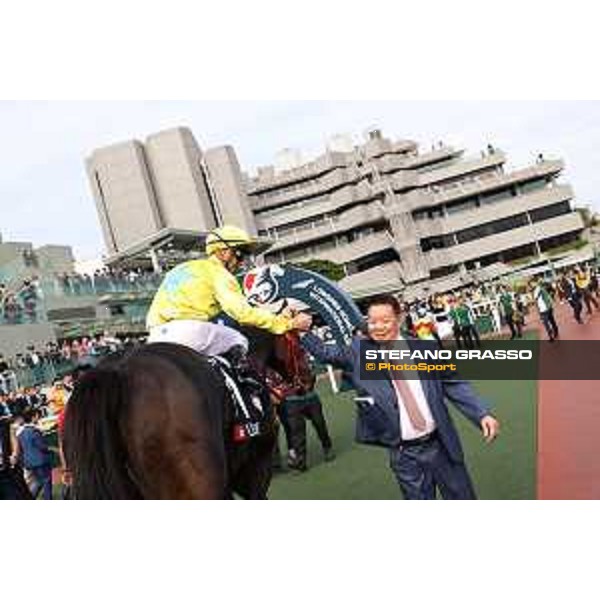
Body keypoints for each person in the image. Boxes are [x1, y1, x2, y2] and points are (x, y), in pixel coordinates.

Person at [300, 294, 500, 500]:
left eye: (385, 321)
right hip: (404, 454)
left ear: (400, 318)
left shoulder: (425, 348)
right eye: (372, 321)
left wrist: (481, 413)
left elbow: (453, 382)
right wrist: (303, 331)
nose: (378, 327)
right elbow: (326, 353)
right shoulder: (359, 352)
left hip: (441, 444)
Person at [146, 225, 311, 358]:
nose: (241, 262)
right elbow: (243, 314)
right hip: (190, 333)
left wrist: (276, 313)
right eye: (240, 255)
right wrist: (288, 324)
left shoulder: (181, 268)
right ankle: (245, 395)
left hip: (155, 337)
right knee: (239, 340)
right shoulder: (220, 274)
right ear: (223, 252)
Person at [11, 409, 54, 500]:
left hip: (29, 462)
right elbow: (42, 446)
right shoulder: (34, 430)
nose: (38, 417)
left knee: (37, 482)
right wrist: (52, 450)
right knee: (46, 482)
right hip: (40, 461)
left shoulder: (20, 432)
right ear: (33, 417)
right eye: (37, 416)